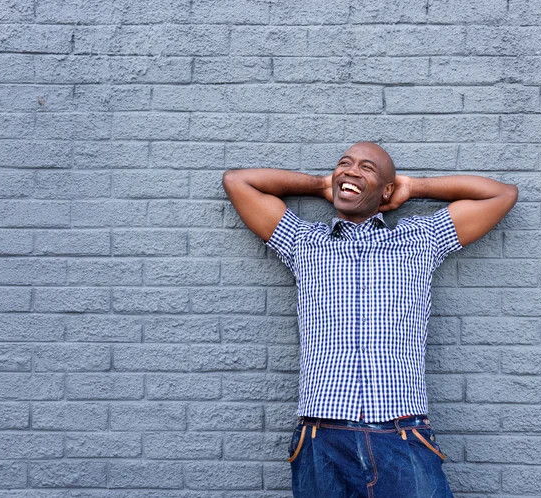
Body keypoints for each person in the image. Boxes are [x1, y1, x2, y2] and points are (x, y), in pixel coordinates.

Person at [222, 142, 518, 498]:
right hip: (323, 435)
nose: (350, 170)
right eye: (344, 164)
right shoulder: (303, 241)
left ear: (386, 190)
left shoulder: (420, 239)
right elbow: (238, 181)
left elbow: (501, 195)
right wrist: (322, 184)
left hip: (403, 432)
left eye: (367, 168)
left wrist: (414, 188)